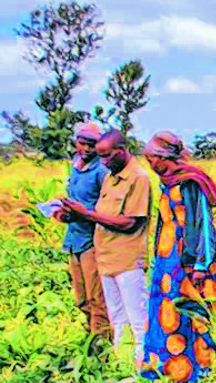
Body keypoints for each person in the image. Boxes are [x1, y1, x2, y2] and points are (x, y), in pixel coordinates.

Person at [139, 131, 216, 383]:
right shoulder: (167, 182)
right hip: (168, 260)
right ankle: (174, 369)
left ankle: (206, 368)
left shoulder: (191, 183)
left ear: (164, 158)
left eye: (152, 158)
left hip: (191, 259)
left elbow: (203, 224)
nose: (150, 164)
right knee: (173, 313)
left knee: (200, 312)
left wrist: (200, 264)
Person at [61, 129, 151, 364]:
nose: (103, 162)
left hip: (127, 258)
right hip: (106, 257)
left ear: (121, 151)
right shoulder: (111, 175)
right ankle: (122, 365)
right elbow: (103, 213)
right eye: (101, 157)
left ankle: (144, 368)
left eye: (107, 156)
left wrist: (88, 215)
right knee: (117, 317)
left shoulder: (138, 178)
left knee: (137, 319)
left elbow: (131, 222)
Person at [56, 122, 109, 341]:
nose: (86, 149)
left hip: (92, 240)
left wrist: (84, 213)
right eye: (82, 144)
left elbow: (107, 208)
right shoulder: (75, 166)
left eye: (92, 145)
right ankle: (90, 337)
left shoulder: (102, 171)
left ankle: (103, 344)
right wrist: (63, 212)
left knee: (97, 296)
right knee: (81, 297)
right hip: (74, 238)